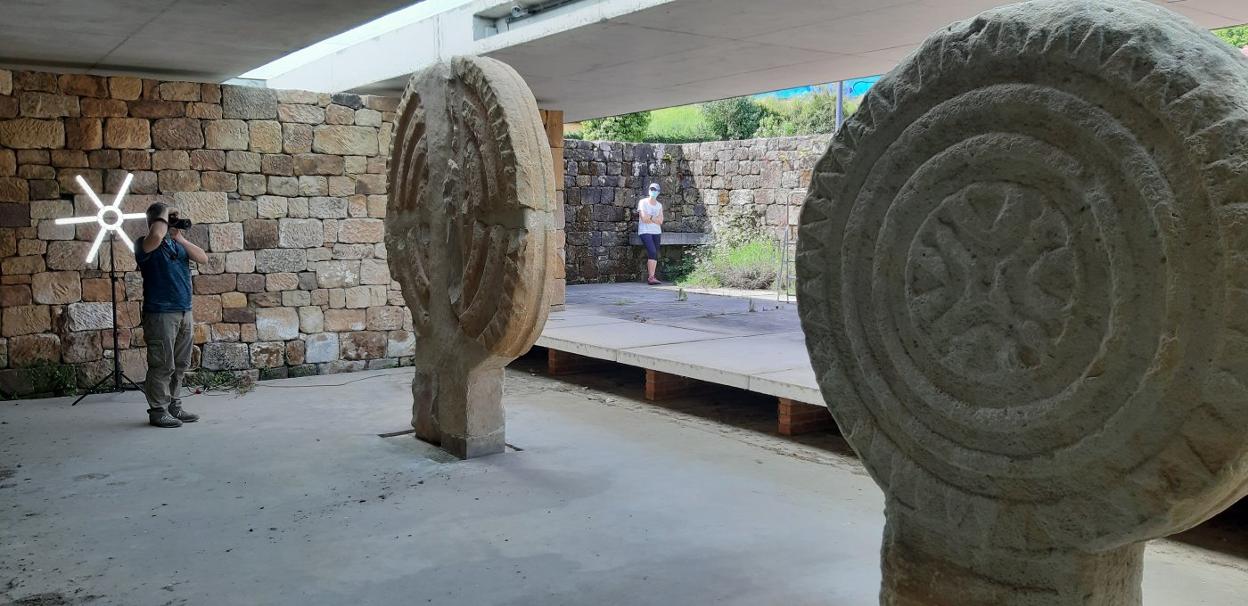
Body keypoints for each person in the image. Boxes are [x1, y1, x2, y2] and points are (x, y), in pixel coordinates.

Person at [135, 202, 208, 428]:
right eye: (169, 218)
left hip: (184, 310)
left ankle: (174, 405)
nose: (173, 222)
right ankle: (158, 410)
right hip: (160, 313)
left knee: (180, 363)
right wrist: (163, 212)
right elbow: (156, 236)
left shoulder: (177, 244)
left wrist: (180, 238)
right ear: (157, 220)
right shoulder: (144, 244)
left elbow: (203, 257)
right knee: (162, 363)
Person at [638, 182, 664, 285]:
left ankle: (652, 277)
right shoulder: (642, 202)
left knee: (655, 253)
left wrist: (651, 217)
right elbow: (644, 218)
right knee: (652, 251)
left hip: (656, 231)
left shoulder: (659, 205)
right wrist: (655, 218)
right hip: (645, 231)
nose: (653, 191)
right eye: (651, 189)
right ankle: (651, 277)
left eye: (655, 190)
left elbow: (661, 221)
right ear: (649, 190)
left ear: (658, 192)